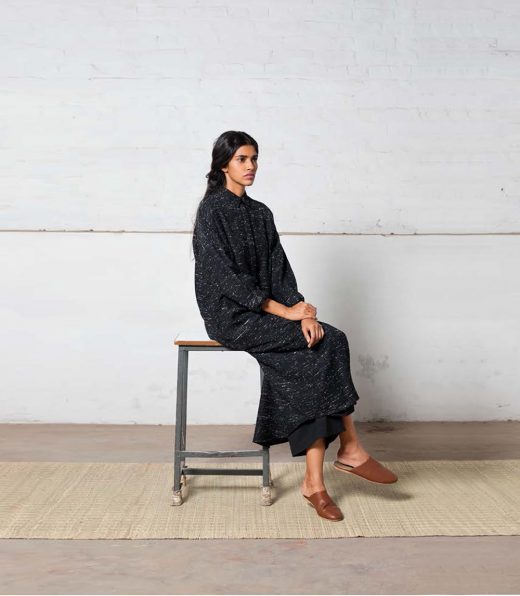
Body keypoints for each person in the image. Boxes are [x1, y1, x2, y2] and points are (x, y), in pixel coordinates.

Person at [191, 131, 398, 522]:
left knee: (318, 349)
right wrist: (283, 313)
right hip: (231, 316)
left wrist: (303, 312)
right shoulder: (212, 210)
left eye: (254, 158)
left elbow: (279, 272)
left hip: (266, 313)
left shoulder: (261, 213)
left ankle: (315, 482)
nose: (251, 166)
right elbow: (223, 278)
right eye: (242, 159)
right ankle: (350, 450)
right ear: (223, 165)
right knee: (329, 343)